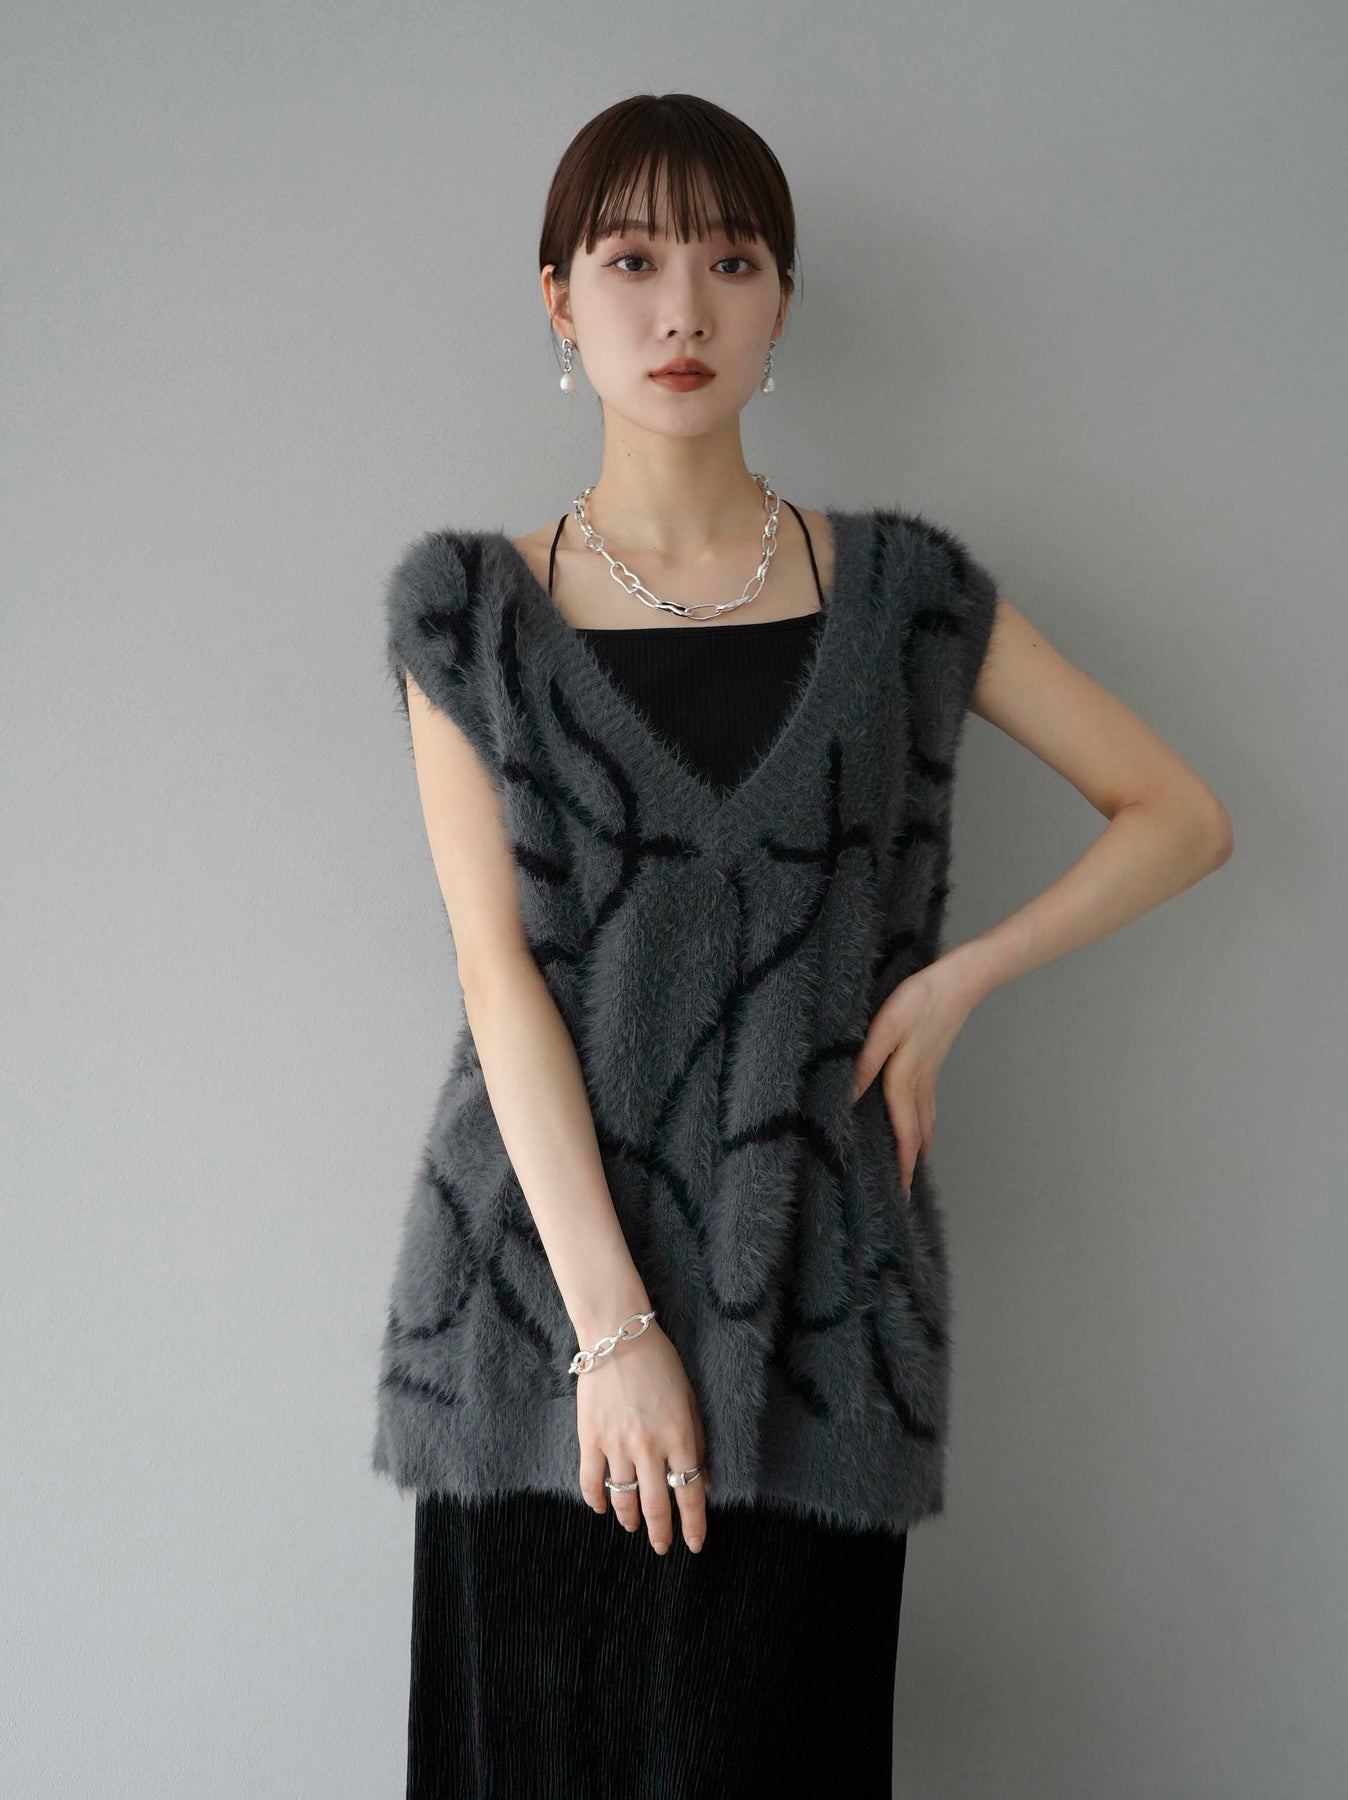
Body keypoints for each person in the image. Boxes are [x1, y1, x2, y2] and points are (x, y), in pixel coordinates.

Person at [375, 92, 1234, 1799]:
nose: (682, 307)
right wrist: (613, 1340)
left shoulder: (903, 599)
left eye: (732, 259)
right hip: (534, 1324)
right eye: (632, 261)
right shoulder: (469, 614)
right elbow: (498, 978)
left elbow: (1178, 814)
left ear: (781, 298)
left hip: (815, 1317)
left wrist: (954, 982)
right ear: (560, 300)